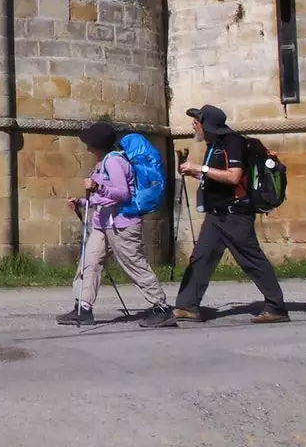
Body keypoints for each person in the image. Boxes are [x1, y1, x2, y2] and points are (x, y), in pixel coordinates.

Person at [173, 105, 289, 323]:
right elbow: (218, 178)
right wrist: (195, 172)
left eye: (196, 121)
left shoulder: (233, 142)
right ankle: (187, 306)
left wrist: (201, 169)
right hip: (217, 215)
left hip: (235, 214)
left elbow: (234, 177)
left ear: (207, 124)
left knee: (252, 260)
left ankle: (276, 307)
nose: (193, 125)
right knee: (201, 257)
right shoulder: (215, 145)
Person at [56, 121, 177, 329]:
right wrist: (83, 202)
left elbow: (123, 193)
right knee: (89, 262)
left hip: (122, 225)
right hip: (103, 223)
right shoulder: (102, 162)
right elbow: (105, 198)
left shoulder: (114, 162)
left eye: (89, 141)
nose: (86, 144)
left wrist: (97, 186)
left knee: (134, 264)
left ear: (96, 144)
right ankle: (83, 307)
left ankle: (161, 307)